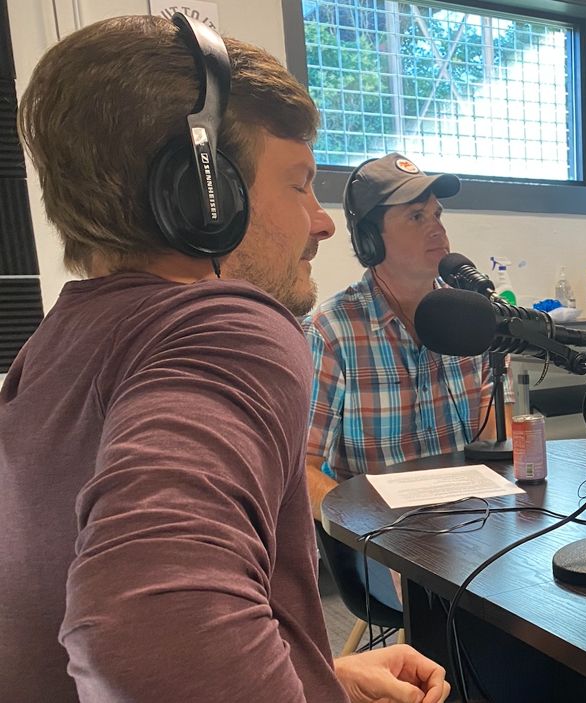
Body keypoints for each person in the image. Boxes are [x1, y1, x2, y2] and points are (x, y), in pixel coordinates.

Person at [0, 15, 448, 702]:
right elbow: (148, 632)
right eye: (298, 184)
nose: (321, 222)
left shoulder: (51, 345)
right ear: (202, 197)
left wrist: (312, 678)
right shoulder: (227, 327)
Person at [303, 153, 509, 517]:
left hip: (471, 523)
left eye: (437, 214)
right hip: (379, 531)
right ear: (370, 240)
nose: (437, 229)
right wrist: (367, 534)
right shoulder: (331, 331)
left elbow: (497, 442)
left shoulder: (472, 315)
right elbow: (302, 472)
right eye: (416, 216)